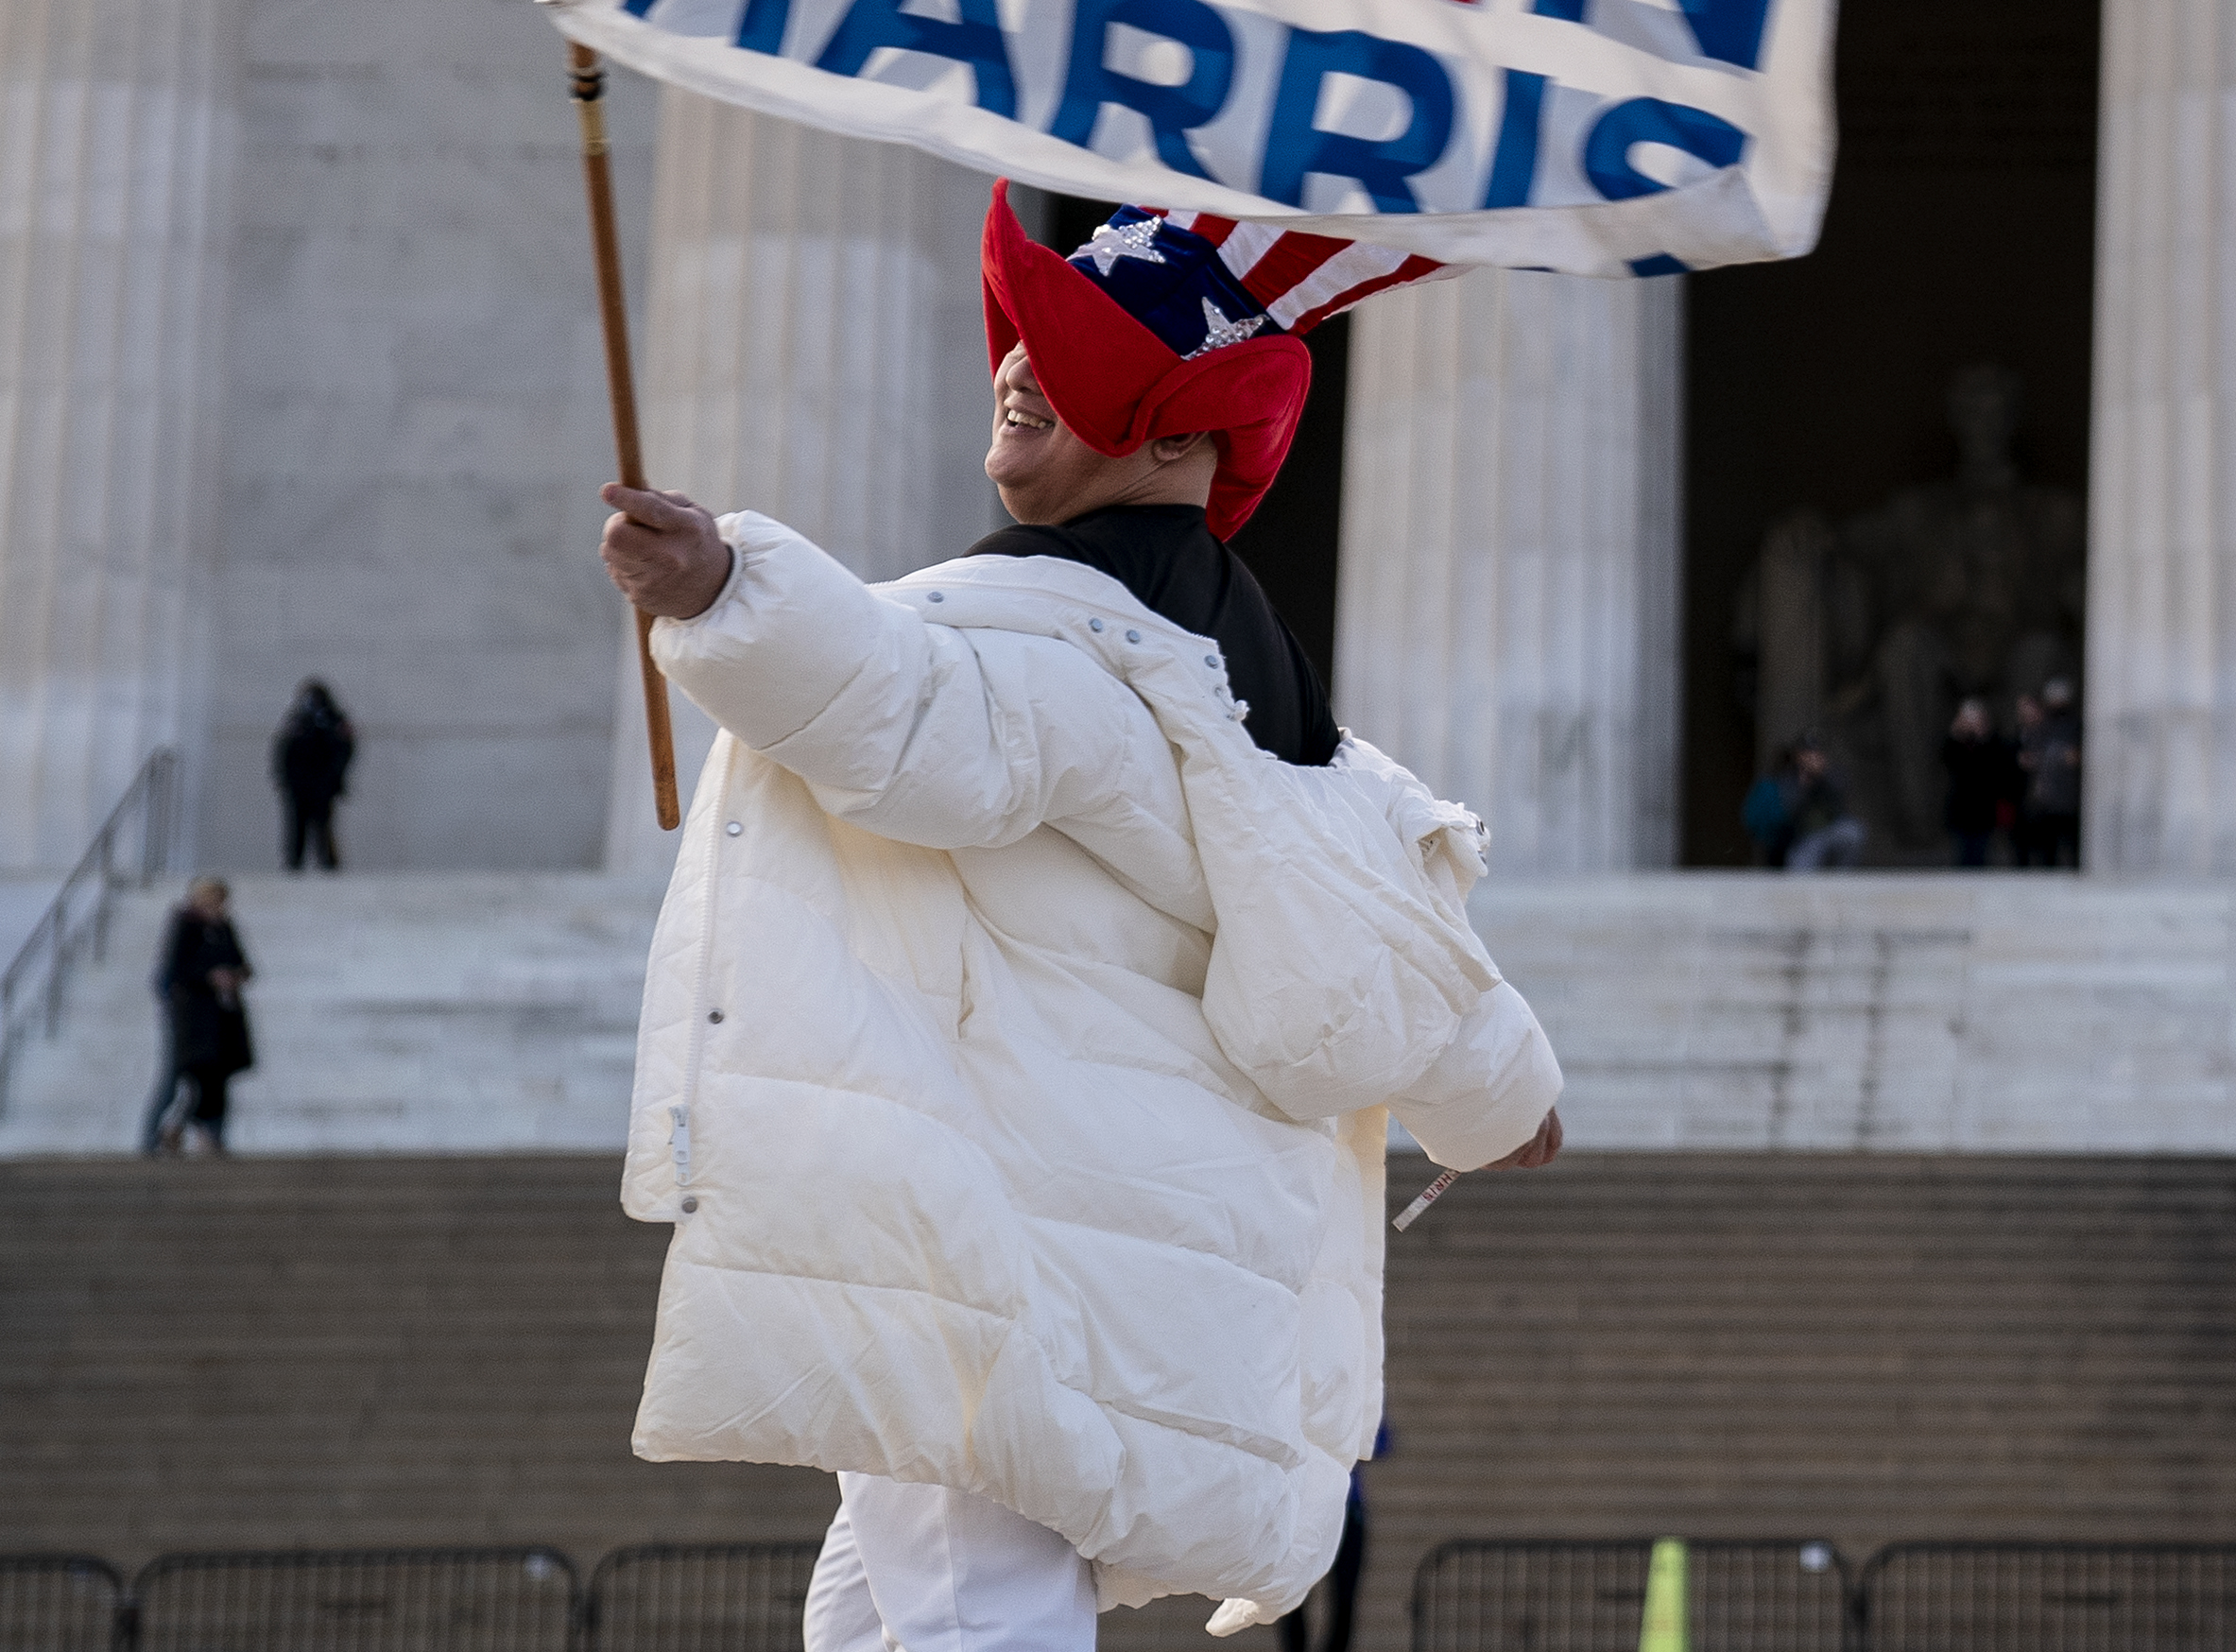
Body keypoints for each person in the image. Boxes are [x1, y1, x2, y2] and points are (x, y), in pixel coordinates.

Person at [598, 190, 1564, 1652]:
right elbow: (1389, 915)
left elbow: (918, 721)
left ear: (1181, 438)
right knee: (877, 1610)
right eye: (1029, 339)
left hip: (989, 1231)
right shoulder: (1265, 701)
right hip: (1129, 1245)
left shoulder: (1054, 647)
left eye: (1078, 354)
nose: (1019, 366)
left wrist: (731, 589)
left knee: (967, 1608)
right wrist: (1506, 1099)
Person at [139, 877, 255, 1155]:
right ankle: (153, 1136)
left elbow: (244, 964)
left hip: (220, 1019)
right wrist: (209, 978)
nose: (220, 906)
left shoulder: (225, 927)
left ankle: (208, 1137)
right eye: (215, 900)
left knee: (215, 1080)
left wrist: (234, 975)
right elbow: (173, 972)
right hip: (188, 1019)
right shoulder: (185, 926)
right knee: (176, 1078)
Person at [1277, 1416, 1385, 1652]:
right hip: (1303, 1509)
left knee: (1344, 1598)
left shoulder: (1357, 1394)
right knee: (1292, 1596)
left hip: (1346, 1510)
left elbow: (1382, 1441)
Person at [271, 680, 355, 872]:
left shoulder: (334, 721)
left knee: (323, 825)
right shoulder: (297, 721)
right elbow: (285, 751)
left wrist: (335, 778)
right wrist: (286, 778)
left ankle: (328, 863)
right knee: (297, 826)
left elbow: (344, 750)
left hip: (323, 784)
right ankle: (294, 862)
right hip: (300, 784)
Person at [1939, 697, 2018, 869]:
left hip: (1983, 810)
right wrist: (1956, 733)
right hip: (1961, 809)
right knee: (1962, 856)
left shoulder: (1993, 743)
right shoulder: (1957, 745)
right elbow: (1947, 758)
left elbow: (1997, 762)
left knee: (1979, 857)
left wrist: (1984, 735)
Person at [2013, 682, 2082, 870]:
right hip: (2045, 799)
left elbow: (2074, 757)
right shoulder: (2042, 728)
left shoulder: (2075, 725)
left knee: (2071, 848)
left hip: (2068, 798)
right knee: (2046, 853)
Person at [1779, 741, 1865, 871]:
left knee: (1853, 832)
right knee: (1797, 869)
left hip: (1834, 828)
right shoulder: (1790, 779)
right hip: (1807, 835)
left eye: (1814, 755)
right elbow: (1791, 811)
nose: (1811, 760)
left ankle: (1844, 878)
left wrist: (1821, 776)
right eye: (1806, 755)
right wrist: (1804, 786)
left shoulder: (1833, 774)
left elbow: (1841, 795)